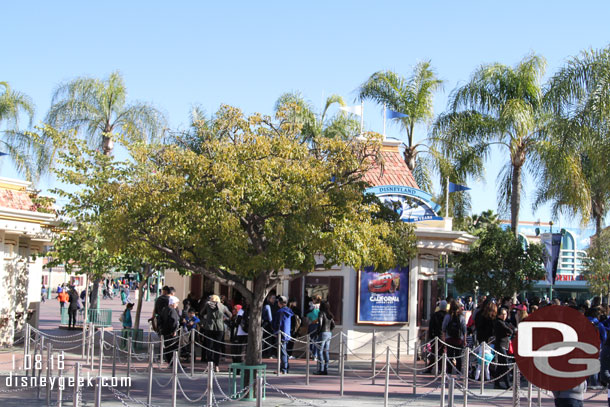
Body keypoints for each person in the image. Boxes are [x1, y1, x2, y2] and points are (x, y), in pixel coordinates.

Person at [201, 294, 231, 371]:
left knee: (209, 347)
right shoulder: (222, 306)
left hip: (209, 327)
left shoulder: (207, 305)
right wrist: (224, 318)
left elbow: (201, 313)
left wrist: (206, 320)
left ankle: (209, 365)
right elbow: (230, 315)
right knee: (217, 348)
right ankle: (216, 366)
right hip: (219, 327)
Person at [442, 300, 467, 374]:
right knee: (458, 356)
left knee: (449, 356)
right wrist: (464, 340)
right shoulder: (461, 317)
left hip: (449, 339)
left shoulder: (447, 316)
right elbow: (464, 330)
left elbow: (443, 329)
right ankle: (458, 372)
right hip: (459, 339)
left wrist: (444, 340)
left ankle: (449, 372)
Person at [493, 306, 514, 389]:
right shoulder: (499, 322)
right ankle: (508, 384)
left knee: (501, 365)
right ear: (499, 315)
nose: (505, 316)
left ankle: (497, 383)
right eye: (503, 314)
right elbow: (510, 330)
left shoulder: (503, 322)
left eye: (505, 314)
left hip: (504, 344)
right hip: (500, 345)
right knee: (505, 364)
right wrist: (509, 331)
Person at [314, 301, 335, 375]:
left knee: (320, 351)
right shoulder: (330, 314)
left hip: (322, 333)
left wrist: (317, 332)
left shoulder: (321, 313)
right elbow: (333, 325)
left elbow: (320, 323)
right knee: (326, 351)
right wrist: (329, 331)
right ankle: (326, 369)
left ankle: (321, 369)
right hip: (329, 333)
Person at [274, 296, 294, 374]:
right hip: (287, 333)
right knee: (284, 351)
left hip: (281, 334)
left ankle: (283, 369)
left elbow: (279, 323)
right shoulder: (289, 311)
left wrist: (276, 332)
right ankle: (285, 367)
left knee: (282, 352)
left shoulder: (280, 312)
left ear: (280, 303)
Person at [160, 296, 181, 365]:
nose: (177, 305)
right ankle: (173, 362)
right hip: (171, 332)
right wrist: (174, 330)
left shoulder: (164, 309)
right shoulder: (172, 310)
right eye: (176, 303)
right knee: (173, 347)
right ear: (173, 303)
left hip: (165, 331)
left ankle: (169, 360)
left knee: (167, 347)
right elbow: (174, 321)